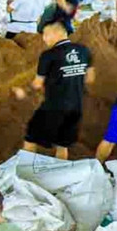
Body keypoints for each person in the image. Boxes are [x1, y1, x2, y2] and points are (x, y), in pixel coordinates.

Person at [17, 15, 94, 160]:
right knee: (62, 144)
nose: (44, 39)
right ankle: (60, 174)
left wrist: (23, 92)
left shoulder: (48, 55)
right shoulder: (84, 51)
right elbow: (90, 79)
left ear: (57, 33)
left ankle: (22, 173)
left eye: (46, 35)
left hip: (54, 107)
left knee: (31, 137)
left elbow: (37, 84)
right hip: (76, 107)